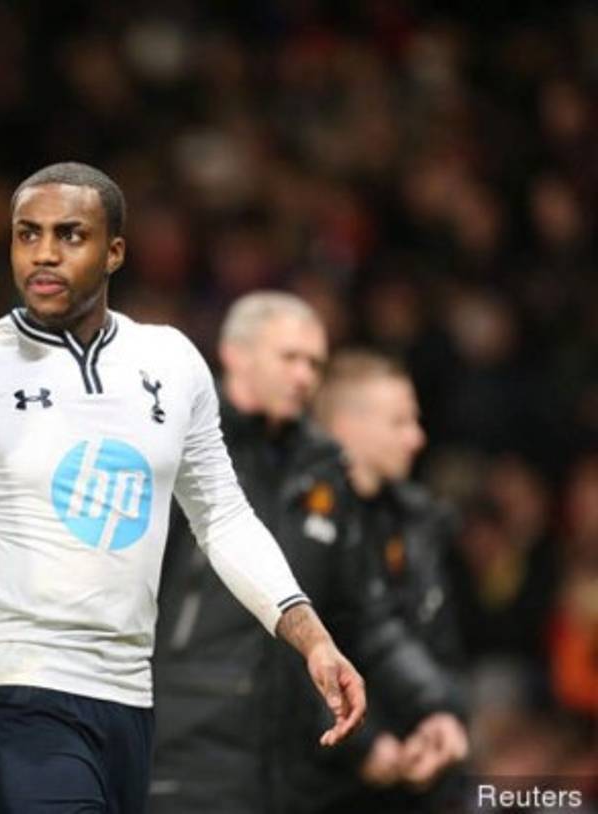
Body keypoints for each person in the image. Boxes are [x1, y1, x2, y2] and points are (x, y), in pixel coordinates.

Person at [0, 162, 365, 814]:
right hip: (10, 678)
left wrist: (312, 637)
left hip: (127, 692)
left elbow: (221, 516)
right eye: (28, 234)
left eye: (70, 235)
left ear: (114, 251)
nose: (44, 254)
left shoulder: (170, 362)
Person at [150, 292, 465, 814]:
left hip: (285, 762)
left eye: (315, 363)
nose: (305, 376)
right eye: (290, 358)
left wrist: (435, 706)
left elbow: (365, 615)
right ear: (235, 354)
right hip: (186, 744)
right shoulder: (180, 450)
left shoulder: (324, 470)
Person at [313, 349, 469, 811]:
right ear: (346, 426)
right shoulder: (301, 523)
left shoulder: (420, 522)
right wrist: (367, 743)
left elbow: (437, 646)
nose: (417, 438)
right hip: (327, 775)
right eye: (399, 422)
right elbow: (282, 666)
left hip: (416, 765)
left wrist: (441, 714)